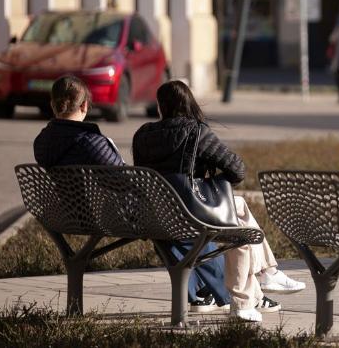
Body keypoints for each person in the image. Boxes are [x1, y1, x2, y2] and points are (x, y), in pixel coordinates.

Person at [33, 75, 231, 317]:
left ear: (53, 105)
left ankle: (201, 292)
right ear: (84, 106)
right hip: (111, 217)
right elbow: (128, 183)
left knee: (174, 223)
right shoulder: (92, 142)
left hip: (66, 215)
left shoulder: (42, 143)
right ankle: (227, 290)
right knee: (183, 221)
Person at [132, 80, 305, 323]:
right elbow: (237, 170)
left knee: (241, 208)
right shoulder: (196, 131)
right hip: (192, 213)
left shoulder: (142, 135)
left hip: (156, 215)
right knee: (242, 233)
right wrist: (212, 183)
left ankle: (267, 275)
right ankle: (258, 284)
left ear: (160, 106)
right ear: (188, 102)